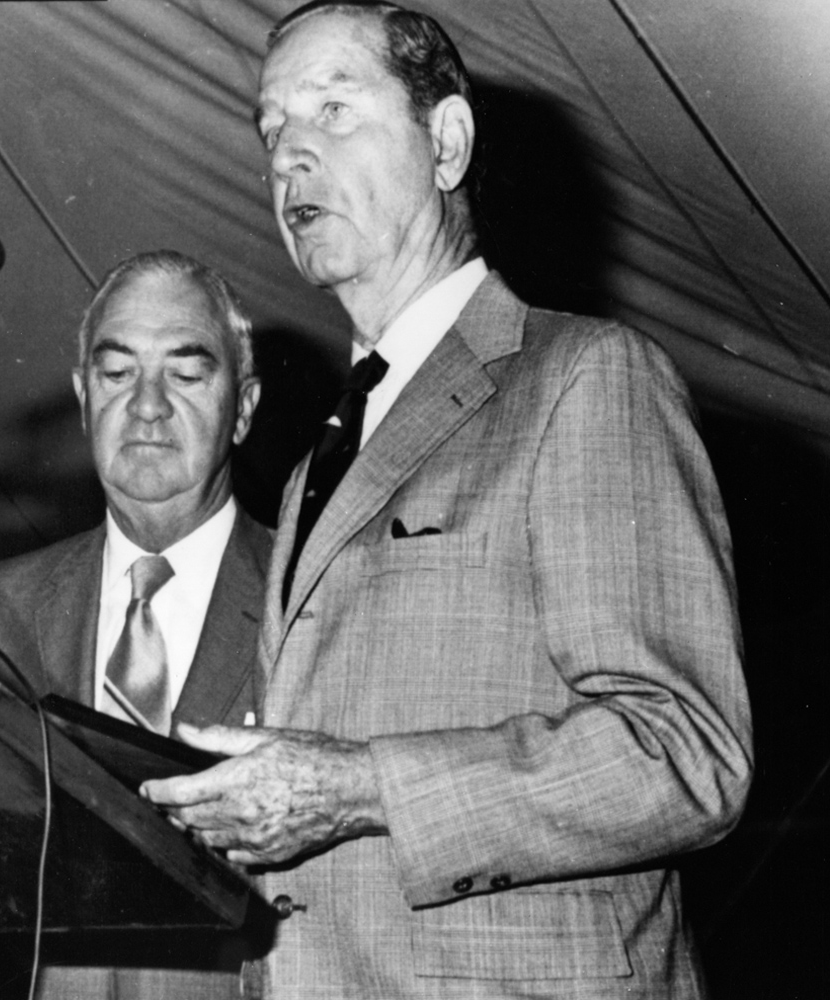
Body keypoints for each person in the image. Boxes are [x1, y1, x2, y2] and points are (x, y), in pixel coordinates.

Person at [139, 4, 754, 999]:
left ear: (447, 141)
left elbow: (684, 753)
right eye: (270, 129)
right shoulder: (311, 467)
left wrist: (356, 786)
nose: (291, 153)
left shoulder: (580, 378)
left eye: (333, 110)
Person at [0, 249, 269, 999]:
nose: (148, 404)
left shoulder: (316, 592)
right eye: (116, 373)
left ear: (244, 408)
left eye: (187, 374)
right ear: (83, 399)